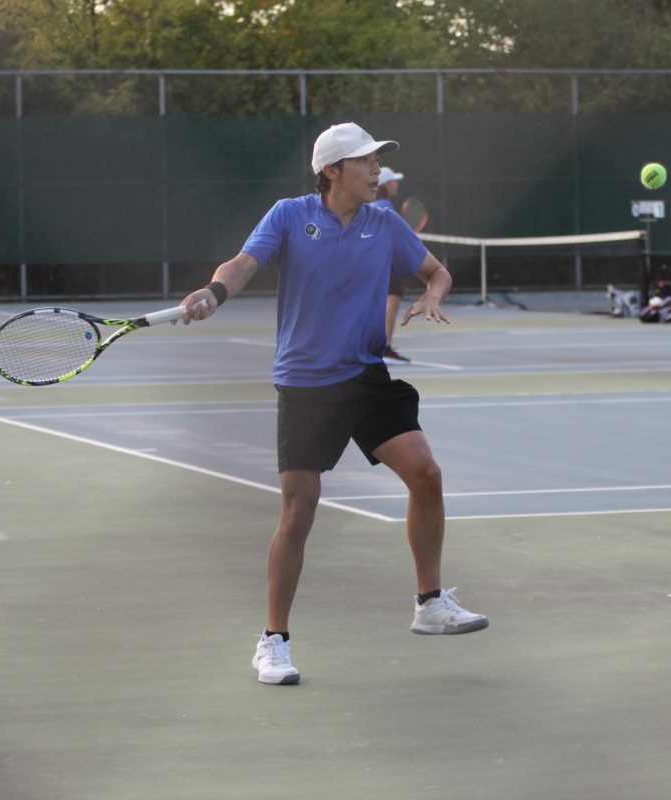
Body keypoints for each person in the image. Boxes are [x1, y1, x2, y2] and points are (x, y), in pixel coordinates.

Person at [180, 122, 488, 685]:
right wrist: (214, 291)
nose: (376, 171)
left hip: (365, 376)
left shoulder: (384, 223)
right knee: (299, 512)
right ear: (332, 171)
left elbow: (435, 270)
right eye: (365, 162)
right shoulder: (290, 215)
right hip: (305, 384)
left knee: (426, 474)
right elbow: (243, 263)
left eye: (377, 161)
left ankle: (430, 603)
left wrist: (432, 294)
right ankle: (273, 640)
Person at [372, 165, 411, 362]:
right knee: (392, 300)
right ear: (386, 184)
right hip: (384, 262)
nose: (397, 184)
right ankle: (384, 347)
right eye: (394, 180)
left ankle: (379, 346)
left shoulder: (371, 205)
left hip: (375, 263)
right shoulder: (385, 206)